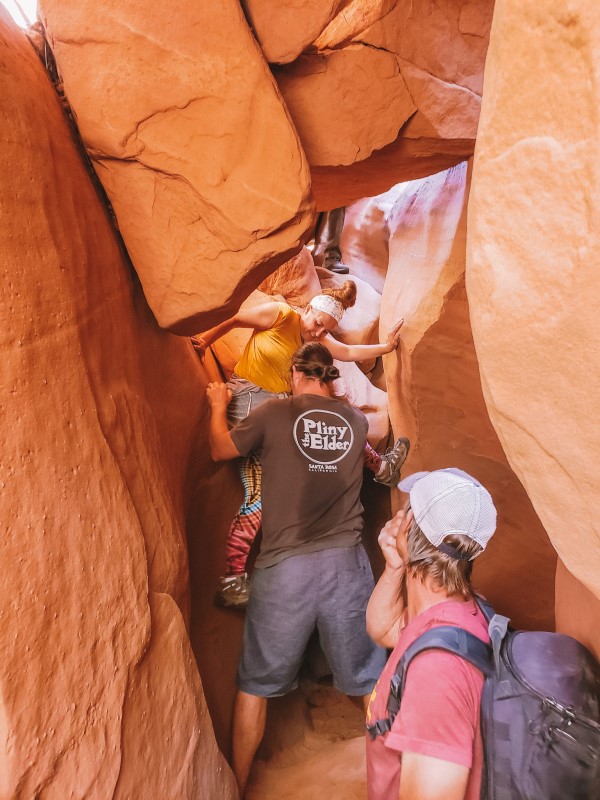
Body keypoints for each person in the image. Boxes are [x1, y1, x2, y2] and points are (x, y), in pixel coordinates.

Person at [206, 343, 387, 798]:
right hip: (346, 565)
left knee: (255, 686)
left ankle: (240, 787)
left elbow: (218, 449)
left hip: (285, 567)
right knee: (369, 681)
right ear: (328, 377)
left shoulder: (272, 413)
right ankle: (393, 782)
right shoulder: (355, 421)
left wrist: (216, 405)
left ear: (294, 374)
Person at [194, 280, 410, 607]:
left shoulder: (317, 338)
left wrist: (386, 347)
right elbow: (236, 320)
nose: (319, 331)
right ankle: (232, 582)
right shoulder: (280, 316)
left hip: (282, 406)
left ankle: (382, 469)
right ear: (307, 309)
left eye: (327, 330)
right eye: (318, 323)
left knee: (339, 424)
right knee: (260, 492)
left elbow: (349, 352)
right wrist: (206, 340)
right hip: (249, 400)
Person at [365, 468, 497, 800]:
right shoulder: (459, 612)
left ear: (408, 529)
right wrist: (396, 565)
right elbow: (384, 630)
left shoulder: (437, 671)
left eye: (406, 511)